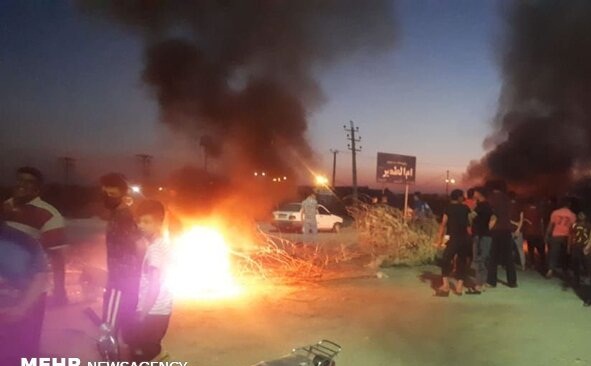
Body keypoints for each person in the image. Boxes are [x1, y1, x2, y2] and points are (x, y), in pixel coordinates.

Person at [2, 167, 68, 305]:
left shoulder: (48, 214)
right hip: (3, 284)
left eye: (29, 182)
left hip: (29, 288)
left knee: (25, 325)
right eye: (20, 180)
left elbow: (57, 256)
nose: (22, 185)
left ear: (38, 189)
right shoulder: (4, 207)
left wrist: (60, 290)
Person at [128, 200, 172, 362]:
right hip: (161, 308)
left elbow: (154, 284)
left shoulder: (156, 250)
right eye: (139, 221)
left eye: (146, 221)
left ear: (159, 222)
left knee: (142, 354)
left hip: (153, 310)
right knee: (151, 350)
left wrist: (142, 313)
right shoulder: (162, 243)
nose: (141, 225)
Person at [100, 173, 141, 345]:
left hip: (121, 278)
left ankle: (111, 353)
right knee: (125, 320)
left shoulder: (124, 215)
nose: (108, 198)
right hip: (124, 275)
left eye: (112, 195)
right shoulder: (120, 212)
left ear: (122, 194)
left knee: (110, 323)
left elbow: (137, 244)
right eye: (106, 194)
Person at [0, 223, 48, 365]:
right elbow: (40, 277)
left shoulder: (26, 242)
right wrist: (21, 308)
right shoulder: (26, 241)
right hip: (17, 315)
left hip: (16, 317)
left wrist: (21, 309)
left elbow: (40, 277)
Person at [436, 189, 471, 296]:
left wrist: (439, 239)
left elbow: (443, 224)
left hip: (453, 238)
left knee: (445, 259)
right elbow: (469, 225)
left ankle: (446, 285)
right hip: (464, 238)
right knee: (462, 262)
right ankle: (459, 287)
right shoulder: (466, 208)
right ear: (459, 197)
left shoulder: (448, 208)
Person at [486, 180, 518, 288]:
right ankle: (512, 282)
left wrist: (489, 227)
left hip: (496, 230)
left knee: (493, 256)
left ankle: (491, 281)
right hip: (507, 229)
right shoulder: (507, 199)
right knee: (509, 257)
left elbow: (492, 214)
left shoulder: (492, 198)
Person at [468, 187, 496, 294]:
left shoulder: (480, 206)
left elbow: (471, 217)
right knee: (484, 260)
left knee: (478, 260)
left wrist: (470, 212)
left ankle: (478, 285)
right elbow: (494, 218)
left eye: (475, 193)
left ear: (479, 194)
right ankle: (483, 283)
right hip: (488, 235)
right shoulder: (489, 206)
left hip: (479, 235)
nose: (473, 194)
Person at [545, 198, 576, 279]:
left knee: (553, 254)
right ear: (569, 205)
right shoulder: (572, 215)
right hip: (566, 236)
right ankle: (565, 271)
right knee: (565, 254)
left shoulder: (555, 212)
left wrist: (547, 235)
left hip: (556, 236)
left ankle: (550, 270)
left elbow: (550, 225)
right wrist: (572, 239)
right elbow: (573, 229)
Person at [522, 199, 546, 273]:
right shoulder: (539, 209)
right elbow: (541, 221)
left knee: (531, 249)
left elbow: (524, 220)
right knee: (541, 250)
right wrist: (543, 232)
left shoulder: (525, 209)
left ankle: (532, 264)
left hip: (529, 233)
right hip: (538, 233)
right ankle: (543, 264)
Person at [568, 211, 591, 289]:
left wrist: (588, 246)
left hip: (585, 246)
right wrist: (569, 246)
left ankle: (588, 277)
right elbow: (570, 236)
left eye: (582, 215)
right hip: (576, 246)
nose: (581, 216)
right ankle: (576, 278)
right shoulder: (574, 225)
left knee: (586, 262)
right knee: (575, 262)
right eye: (579, 214)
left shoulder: (588, 225)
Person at [509, 192, 526, 271]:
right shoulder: (520, 205)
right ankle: (523, 266)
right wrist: (518, 229)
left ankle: (509, 265)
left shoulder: (507, 205)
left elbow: (506, 218)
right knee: (520, 249)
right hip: (518, 231)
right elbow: (522, 219)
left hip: (509, 230)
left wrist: (513, 223)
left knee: (509, 248)